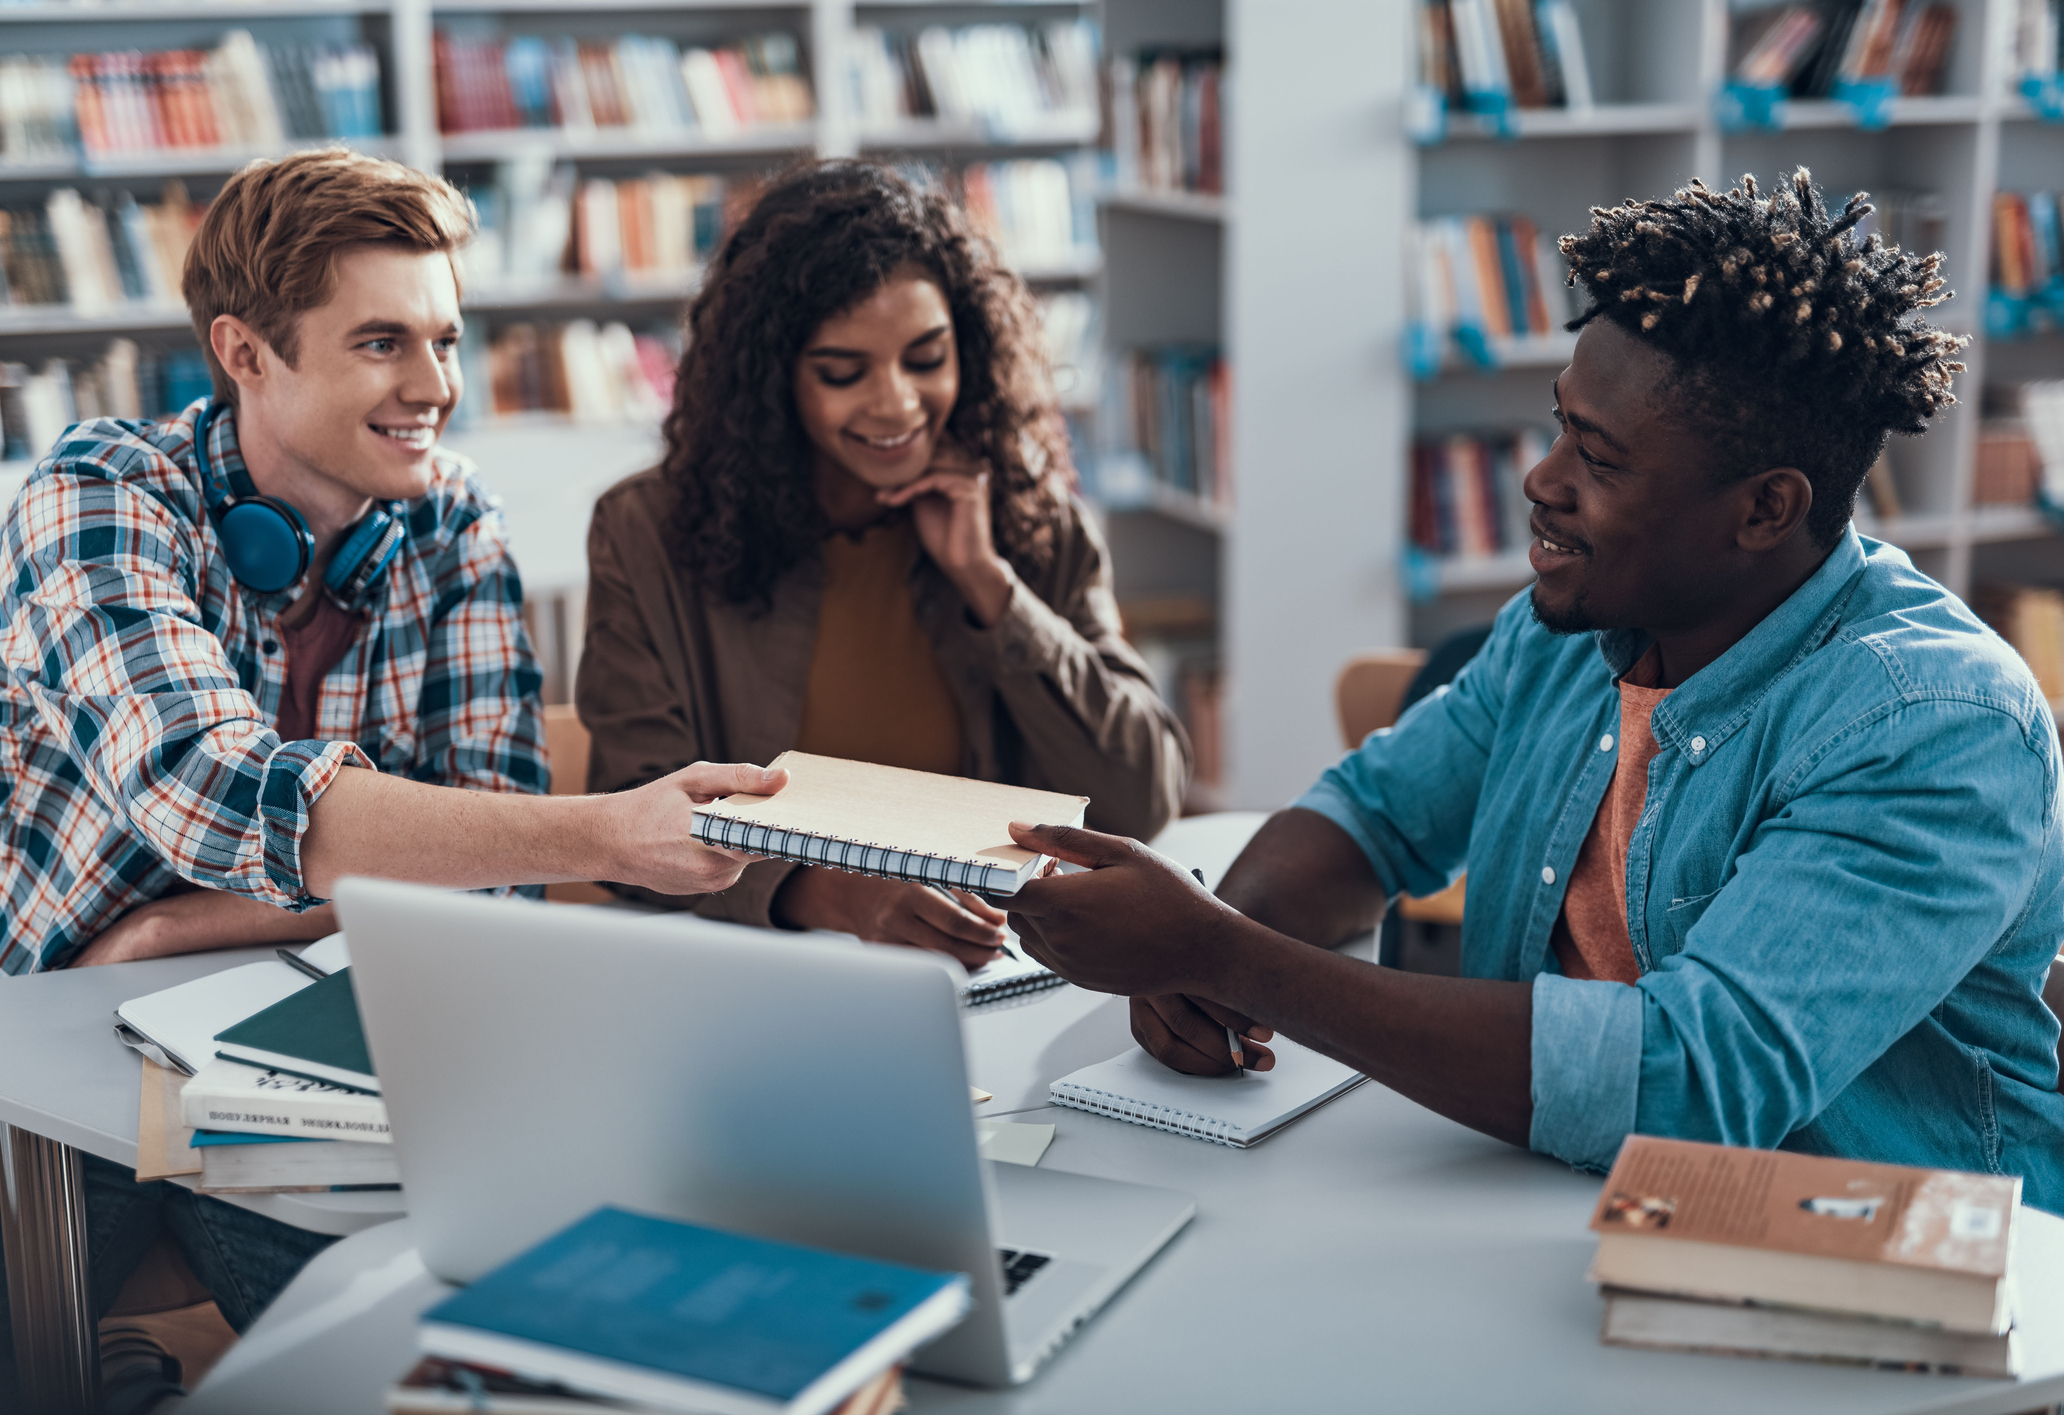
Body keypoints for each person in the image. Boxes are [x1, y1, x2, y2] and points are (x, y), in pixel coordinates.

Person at [1001, 170, 2064, 1227]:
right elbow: (1372, 815)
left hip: (1892, 1316)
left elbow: (1685, 1080)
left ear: (1764, 509)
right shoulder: (1575, 624)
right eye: (1560, 424)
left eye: (1600, 459)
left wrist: (1221, 955)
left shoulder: (1937, 724)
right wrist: (1220, 951)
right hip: (1567, 1229)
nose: (1542, 477)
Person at [0, 149, 777, 1410]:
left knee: (442, 1334)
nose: (435, 388)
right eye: (381, 344)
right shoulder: (101, 491)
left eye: (446, 340)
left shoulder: (450, 518)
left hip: (301, 1040)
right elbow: (212, 786)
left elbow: (506, 871)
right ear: (246, 353)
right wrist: (598, 836)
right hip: (50, 1038)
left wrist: (178, 927)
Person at [577, 160, 1189, 969]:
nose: (897, 404)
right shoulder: (646, 531)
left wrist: (991, 589)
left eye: (926, 359)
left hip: (992, 967)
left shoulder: (1027, 517)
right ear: (773, 379)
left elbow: (1141, 795)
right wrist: (829, 893)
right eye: (842, 372)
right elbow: (629, 819)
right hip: (762, 970)